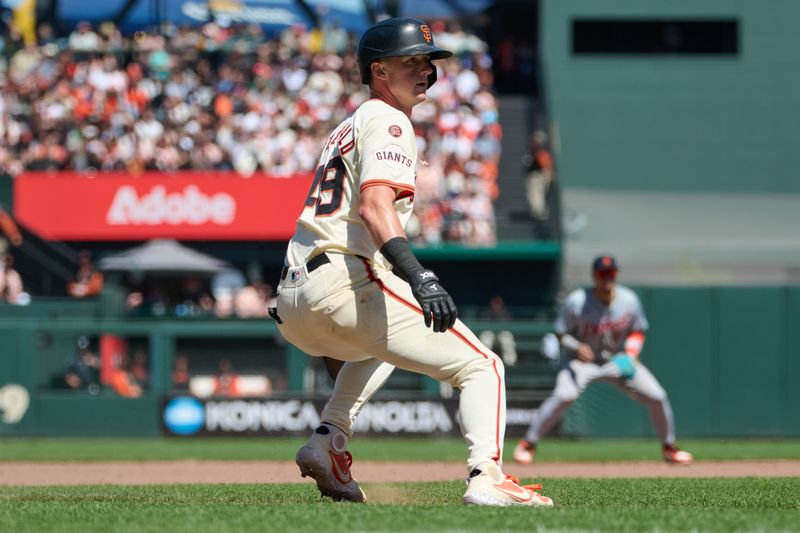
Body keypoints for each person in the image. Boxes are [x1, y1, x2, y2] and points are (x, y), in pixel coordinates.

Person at [270, 18, 552, 507]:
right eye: (411, 61)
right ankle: (487, 476)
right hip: (343, 277)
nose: (424, 70)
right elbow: (375, 207)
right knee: (483, 366)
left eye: (428, 62)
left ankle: (327, 440)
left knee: (373, 348)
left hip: (294, 296)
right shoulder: (389, 119)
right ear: (379, 70)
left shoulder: (347, 126)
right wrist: (419, 275)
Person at [513, 255, 693, 466]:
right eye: (602, 273)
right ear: (595, 276)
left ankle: (669, 448)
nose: (607, 278)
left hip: (615, 360)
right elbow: (560, 332)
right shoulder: (577, 301)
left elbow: (638, 330)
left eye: (611, 273)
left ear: (616, 275)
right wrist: (577, 346)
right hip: (581, 362)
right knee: (564, 394)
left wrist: (631, 354)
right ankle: (528, 443)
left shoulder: (629, 300)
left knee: (657, 396)